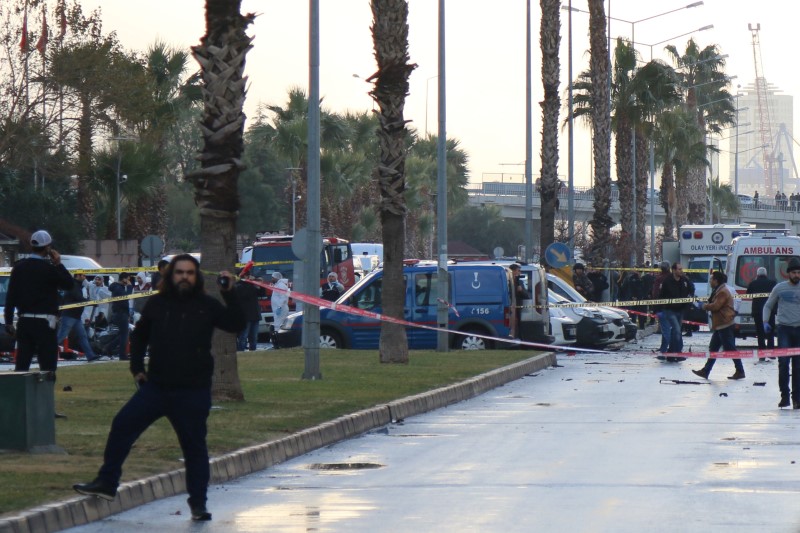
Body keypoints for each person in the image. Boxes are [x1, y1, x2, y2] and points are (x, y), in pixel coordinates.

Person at [72, 254, 245, 521]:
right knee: (122, 425)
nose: (184, 277)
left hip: (193, 392)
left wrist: (230, 294)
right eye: (179, 272)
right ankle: (107, 483)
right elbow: (139, 336)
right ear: (170, 276)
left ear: (196, 277)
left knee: (194, 448)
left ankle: (198, 504)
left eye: (189, 273)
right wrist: (137, 368)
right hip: (157, 388)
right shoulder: (157, 304)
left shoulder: (207, 305)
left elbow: (236, 324)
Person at [4, 230, 74, 372]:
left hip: (25, 321)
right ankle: (46, 393)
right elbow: (69, 284)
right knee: (48, 367)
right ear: (48, 248)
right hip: (45, 323)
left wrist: (9, 321)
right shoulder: (49, 269)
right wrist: (58, 264)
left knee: (22, 366)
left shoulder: (19, 268)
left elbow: (11, 296)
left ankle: (20, 394)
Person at [692, 271, 745, 381]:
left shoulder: (722, 292)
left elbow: (716, 306)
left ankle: (740, 371)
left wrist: (704, 306)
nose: (710, 281)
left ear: (716, 281)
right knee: (714, 348)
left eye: (711, 279)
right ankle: (706, 371)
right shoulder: (719, 290)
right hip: (720, 324)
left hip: (724, 324)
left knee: (730, 349)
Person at [763, 258, 800, 409]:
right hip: (784, 329)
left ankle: (797, 398)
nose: (797, 275)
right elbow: (768, 305)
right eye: (794, 272)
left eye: (799, 272)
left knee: (798, 366)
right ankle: (784, 396)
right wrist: (765, 321)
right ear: (788, 274)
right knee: (783, 364)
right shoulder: (780, 288)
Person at [57, 272, 106, 362]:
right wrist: (90, 302)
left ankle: (90, 356)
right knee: (61, 336)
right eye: (83, 275)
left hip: (76, 317)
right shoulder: (73, 285)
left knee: (82, 336)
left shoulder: (77, 285)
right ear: (77, 276)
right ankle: (45, 353)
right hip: (69, 316)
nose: (84, 277)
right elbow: (78, 298)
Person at [656, 262, 692, 362]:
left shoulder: (684, 280)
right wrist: (658, 309)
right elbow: (661, 296)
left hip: (680, 310)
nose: (681, 271)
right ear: (674, 270)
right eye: (679, 269)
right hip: (669, 310)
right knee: (676, 330)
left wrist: (689, 300)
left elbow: (691, 289)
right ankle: (676, 353)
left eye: (681, 269)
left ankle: (672, 354)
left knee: (677, 332)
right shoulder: (667, 281)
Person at [747, 266, 777, 362]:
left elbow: (748, 294)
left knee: (760, 333)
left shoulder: (753, 283)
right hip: (770, 311)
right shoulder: (772, 283)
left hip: (757, 311)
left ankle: (762, 354)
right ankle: (771, 353)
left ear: (757, 274)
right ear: (766, 274)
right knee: (770, 332)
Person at [235, 272, 264, 351]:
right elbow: (245, 294)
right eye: (247, 275)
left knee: (254, 337)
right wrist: (251, 283)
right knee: (243, 336)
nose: (249, 277)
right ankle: (241, 351)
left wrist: (261, 285)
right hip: (245, 316)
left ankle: (253, 351)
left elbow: (261, 294)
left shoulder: (251, 285)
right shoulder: (238, 286)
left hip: (255, 315)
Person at [109, 273, 134, 360]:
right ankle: (122, 355)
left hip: (120, 313)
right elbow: (126, 297)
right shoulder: (118, 288)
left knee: (122, 334)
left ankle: (108, 348)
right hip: (121, 313)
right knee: (125, 335)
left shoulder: (117, 287)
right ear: (123, 279)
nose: (129, 281)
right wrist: (130, 287)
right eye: (128, 279)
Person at [270, 272, 290, 348]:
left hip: (280, 309)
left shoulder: (281, 286)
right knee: (278, 325)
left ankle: (279, 344)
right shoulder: (277, 285)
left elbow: (283, 298)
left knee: (278, 326)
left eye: (272, 277)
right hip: (278, 309)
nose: (272, 279)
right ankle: (279, 344)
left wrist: (279, 307)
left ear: (276, 278)